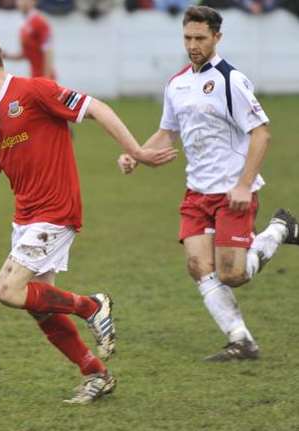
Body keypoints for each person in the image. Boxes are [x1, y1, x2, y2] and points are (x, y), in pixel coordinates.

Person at [0, 30, 177, 404]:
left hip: (56, 211)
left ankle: (91, 305)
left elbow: (96, 108)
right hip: (25, 218)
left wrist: (138, 151)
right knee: (41, 307)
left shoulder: (33, 91)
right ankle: (96, 374)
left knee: (7, 291)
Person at [117, 5, 299, 361]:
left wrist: (245, 185)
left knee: (232, 274)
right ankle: (241, 339)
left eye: (201, 38)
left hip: (232, 192)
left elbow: (261, 135)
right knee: (198, 266)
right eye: (187, 37)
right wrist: (136, 154)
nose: (193, 45)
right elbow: (169, 132)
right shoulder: (177, 83)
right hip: (196, 192)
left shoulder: (231, 80)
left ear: (217, 37)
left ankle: (279, 228)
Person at [3, 0, 56, 79]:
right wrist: (6, 55)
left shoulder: (40, 21)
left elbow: (48, 51)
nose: (21, 2)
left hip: (44, 77)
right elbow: (25, 54)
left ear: (33, 2)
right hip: (35, 76)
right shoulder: (25, 24)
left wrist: (46, 79)